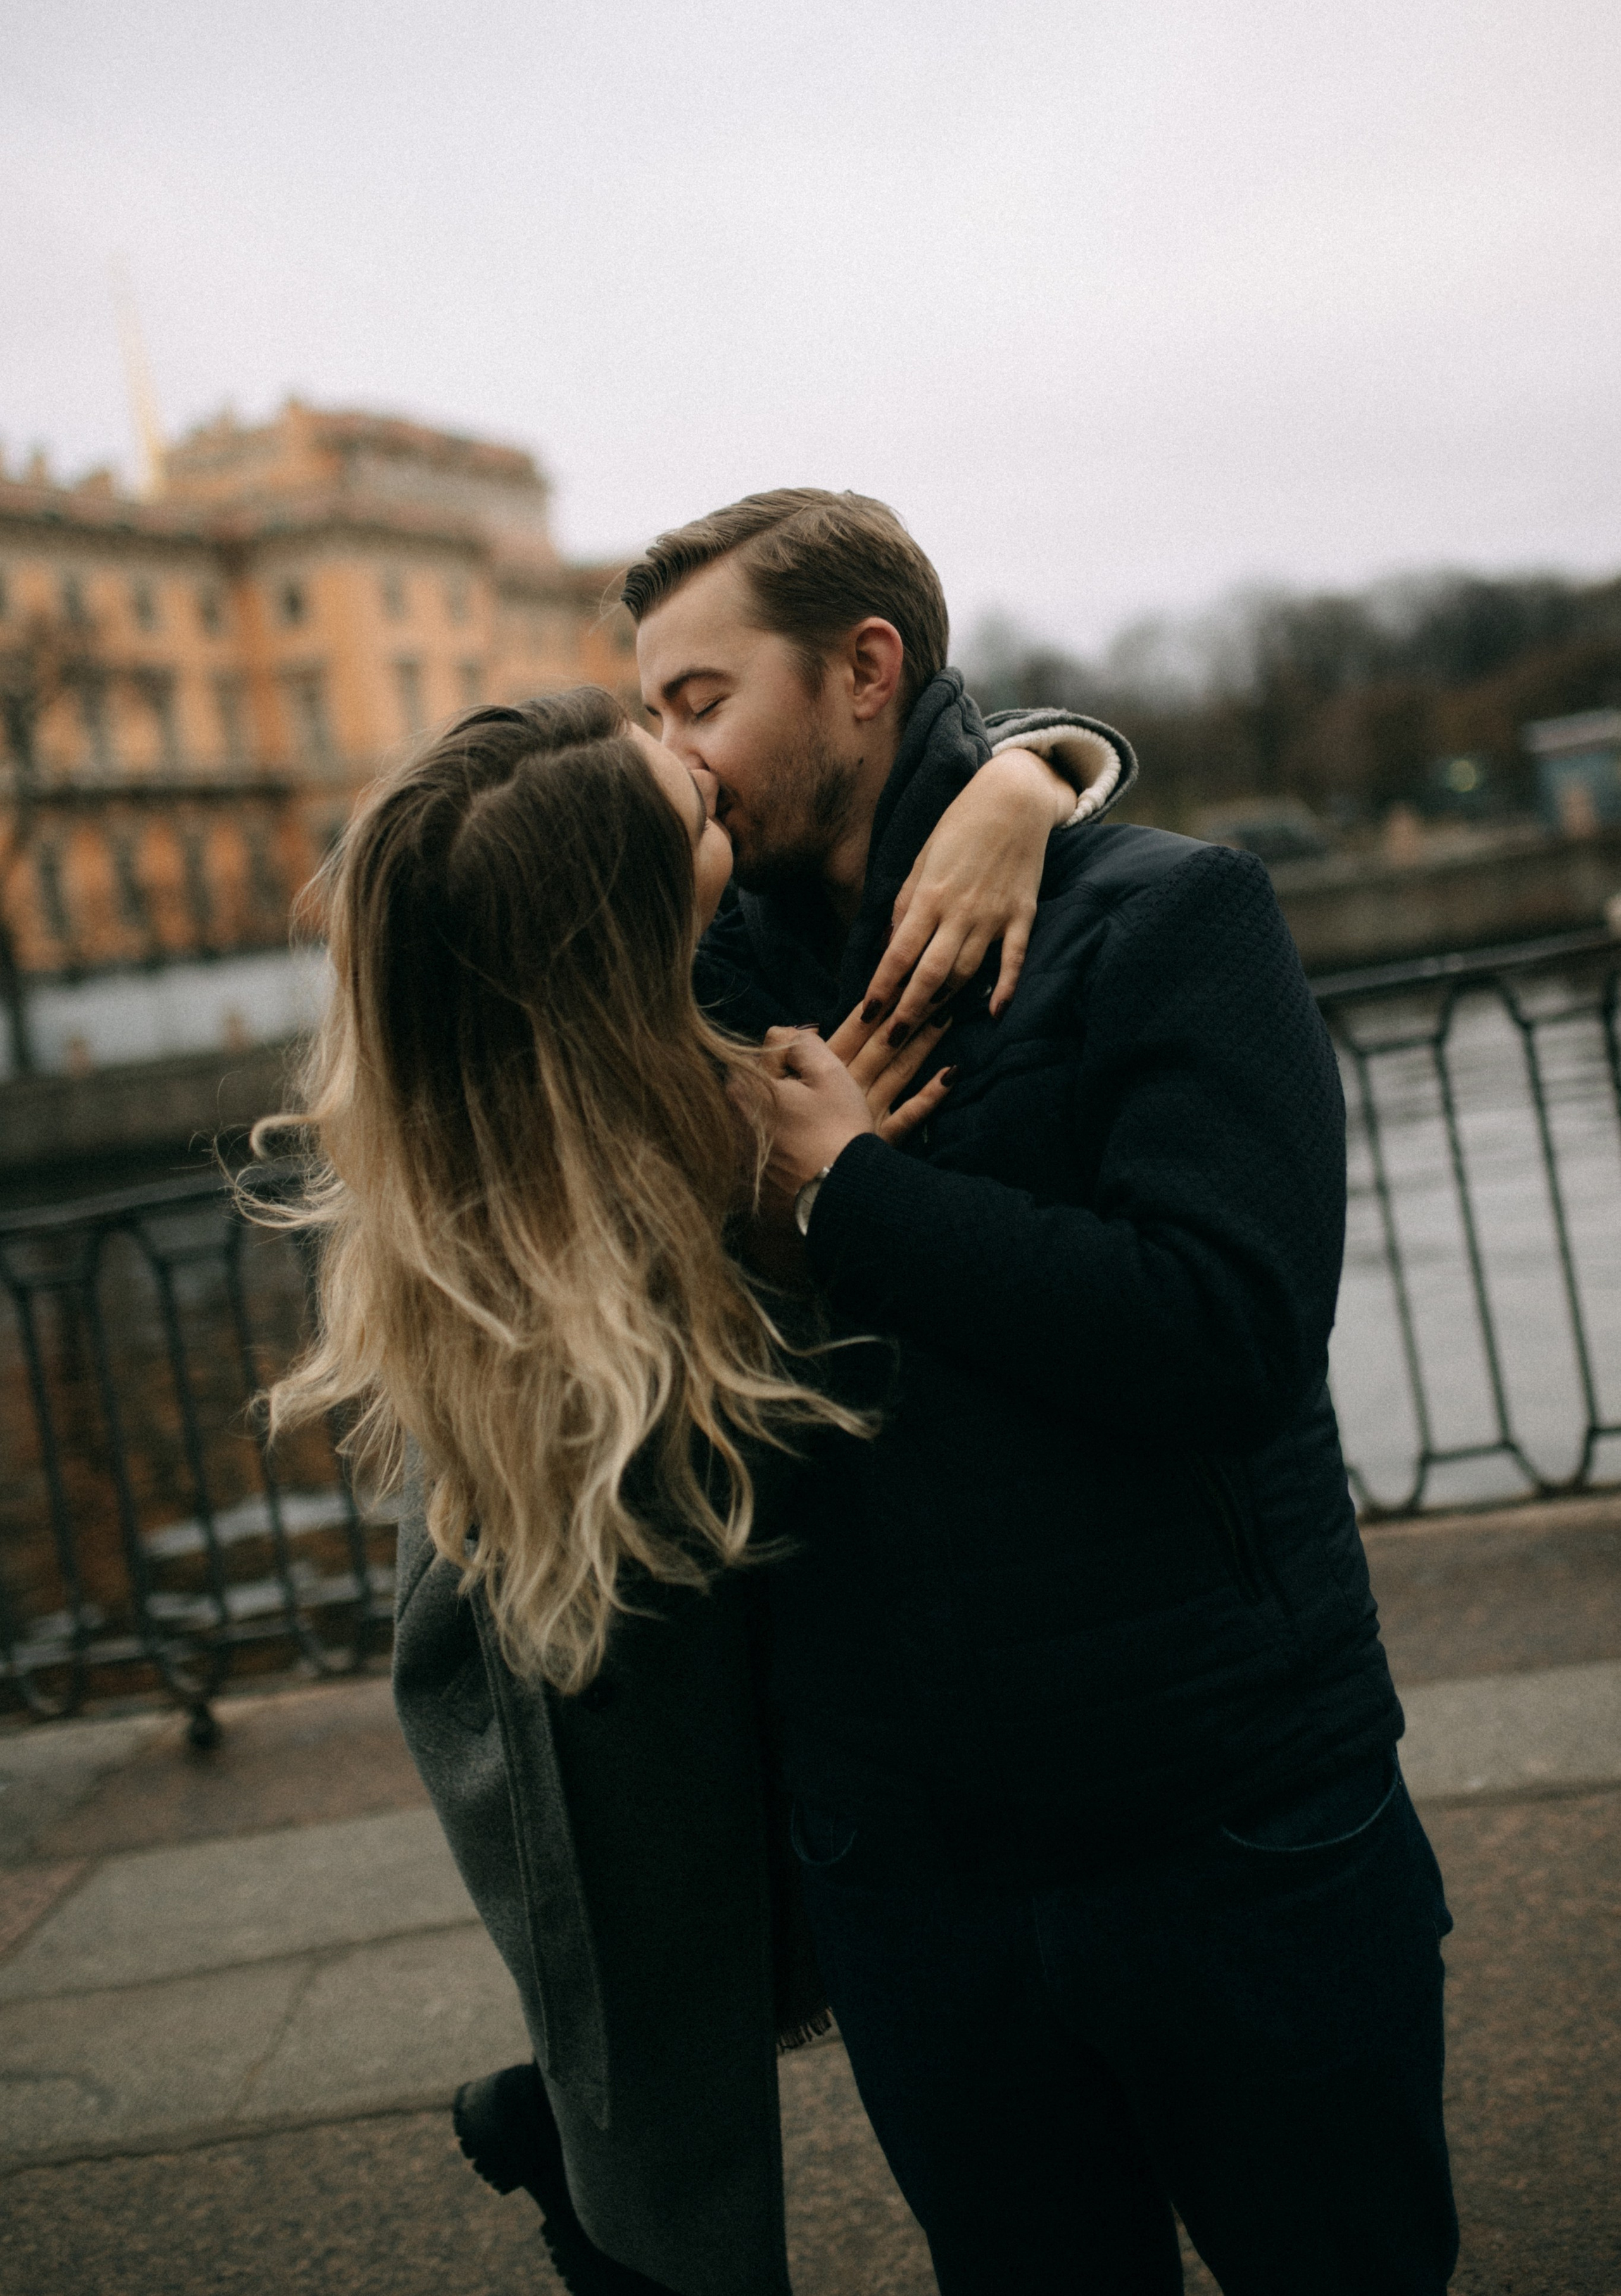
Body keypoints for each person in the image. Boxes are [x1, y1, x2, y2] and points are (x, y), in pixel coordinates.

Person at [627, 488, 1460, 2295]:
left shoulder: (1171, 918)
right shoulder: (686, 1001)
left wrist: (853, 1197)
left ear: (866, 672)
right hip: (916, 1880)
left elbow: (1224, 1333)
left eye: (698, 700)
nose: (671, 757)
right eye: (650, 717)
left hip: (1232, 1825)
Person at [251, 680, 1105, 2296]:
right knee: (660, 2094)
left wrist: (1029, 774)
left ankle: (566, 2133)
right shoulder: (543, 1198)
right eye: (691, 809)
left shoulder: (546, 1027)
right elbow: (751, 1423)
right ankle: (597, 2197)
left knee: (702, 1994)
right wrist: (800, 1225)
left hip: (655, 1613)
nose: (718, 786)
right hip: (573, 1671)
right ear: (621, 920)